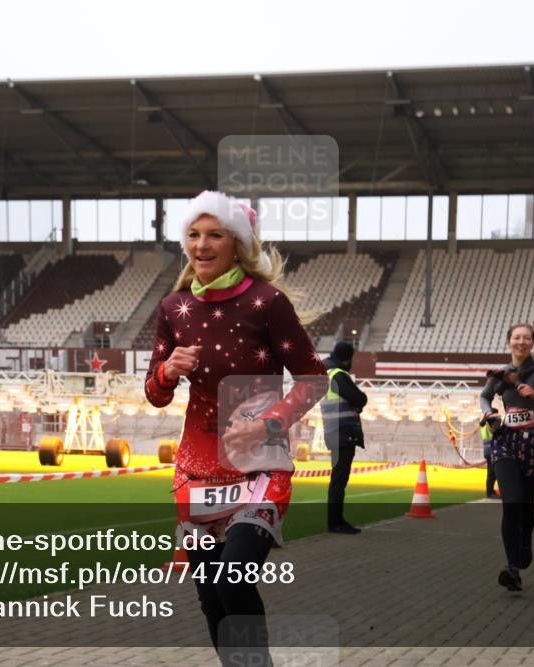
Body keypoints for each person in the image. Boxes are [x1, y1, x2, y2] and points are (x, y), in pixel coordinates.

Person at [144, 190, 326, 665]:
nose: (202, 245)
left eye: (215, 235)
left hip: (259, 469)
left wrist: (267, 426)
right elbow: (155, 393)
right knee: (210, 596)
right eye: (194, 235)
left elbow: (314, 379)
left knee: (233, 578)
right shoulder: (173, 308)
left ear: (237, 244)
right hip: (198, 472)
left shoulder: (267, 303)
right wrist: (167, 371)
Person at [480, 323, 534, 592]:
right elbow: (483, 397)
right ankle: (512, 568)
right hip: (506, 442)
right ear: (509, 341)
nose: (521, 342)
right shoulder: (501, 374)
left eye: (526, 338)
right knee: (511, 503)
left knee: (526, 509)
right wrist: (489, 413)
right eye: (516, 337)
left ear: (532, 342)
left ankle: (525, 540)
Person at [320, 340, 368, 534]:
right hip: (343, 432)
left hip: (333, 431)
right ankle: (335, 522)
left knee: (338, 478)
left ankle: (336, 520)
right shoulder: (339, 375)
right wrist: (359, 403)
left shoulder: (326, 373)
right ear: (348, 358)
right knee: (339, 480)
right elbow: (359, 398)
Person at [481, 421, 498, 498]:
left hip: (487, 451)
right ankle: (490, 492)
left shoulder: (484, 426)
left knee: (491, 473)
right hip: (491, 451)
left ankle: (490, 491)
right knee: (492, 473)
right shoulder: (490, 426)